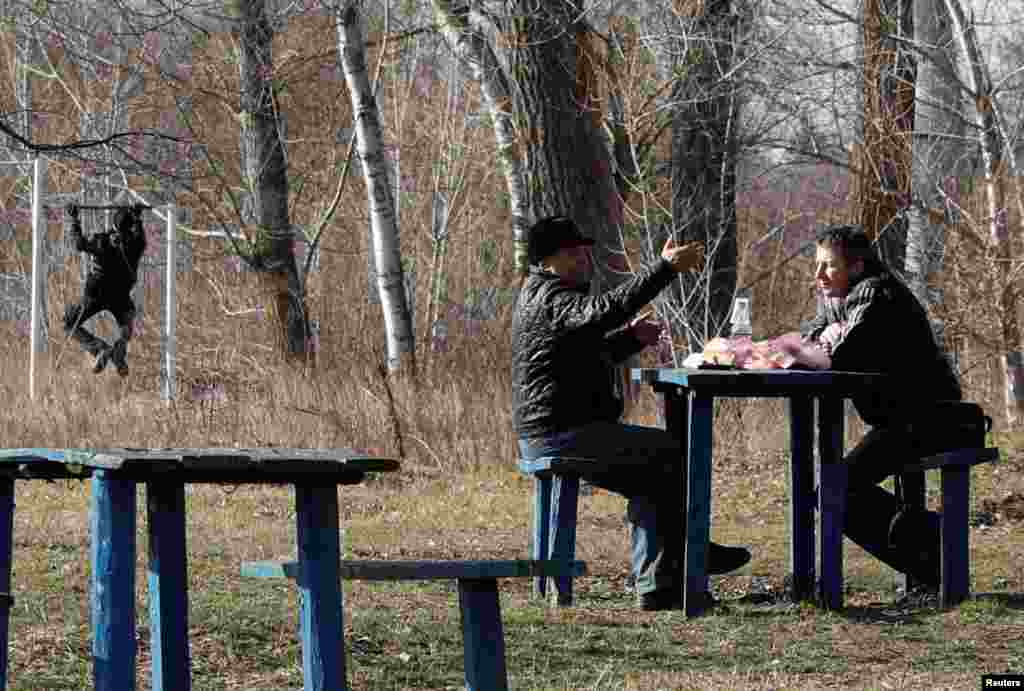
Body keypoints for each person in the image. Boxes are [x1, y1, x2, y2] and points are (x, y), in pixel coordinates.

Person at [512, 215, 752, 611]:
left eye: (583, 251)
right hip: (561, 433)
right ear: (549, 259)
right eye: (573, 252)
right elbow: (604, 310)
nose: (584, 258)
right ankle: (686, 561)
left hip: (557, 429)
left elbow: (586, 354)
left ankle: (662, 581)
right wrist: (665, 269)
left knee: (656, 469)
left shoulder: (544, 296)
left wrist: (630, 340)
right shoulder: (551, 297)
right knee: (674, 454)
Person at [802, 224, 988, 599]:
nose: (818, 276)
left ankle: (937, 551)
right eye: (817, 265)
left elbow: (837, 355)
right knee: (835, 491)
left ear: (856, 267)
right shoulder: (840, 299)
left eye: (828, 266)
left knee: (834, 491)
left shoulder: (874, 294)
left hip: (933, 420)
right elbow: (808, 343)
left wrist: (825, 341)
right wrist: (818, 339)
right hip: (906, 420)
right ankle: (932, 560)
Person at [63, 202, 147, 377]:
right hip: (121, 297)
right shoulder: (136, 244)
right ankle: (119, 351)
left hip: (96, 295)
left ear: (114, 225)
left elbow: (78, 244)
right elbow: (140, 236)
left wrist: (74, 219)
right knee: (126, 326)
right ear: (131, 227)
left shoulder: (101, 241)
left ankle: (100, 349)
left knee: (69, 324)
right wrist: (138, 217)